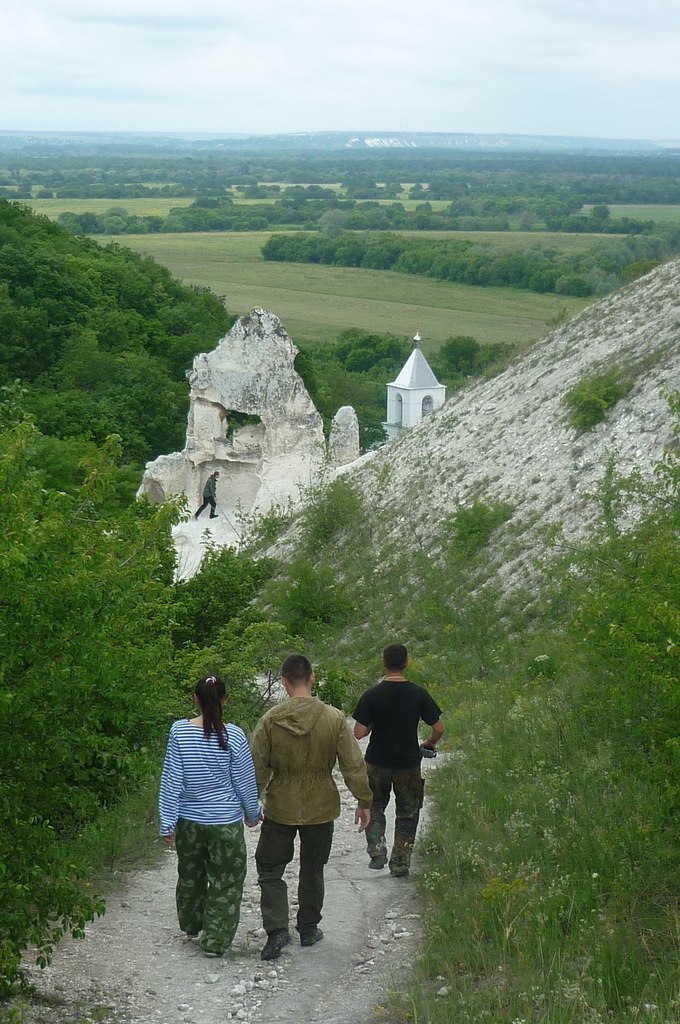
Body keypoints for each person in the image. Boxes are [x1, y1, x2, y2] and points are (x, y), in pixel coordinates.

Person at [250, 653, 373, 961]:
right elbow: (353, 764)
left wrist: (251, 800)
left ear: (283, 681)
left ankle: (277, 930)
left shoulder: (269, 720)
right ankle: (308, 928)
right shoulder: (332, 718)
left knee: (270, 868)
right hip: (321, 806)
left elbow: (257, 766)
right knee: (312, 867)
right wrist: (364, 800)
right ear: (312, 678)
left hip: (280, 805)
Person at [159, 674, 262, 957]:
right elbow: (244, 780)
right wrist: (252, 813)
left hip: (189, 821)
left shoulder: (179, 732)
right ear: (224, 700)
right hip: (224, 823)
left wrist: (167, 822)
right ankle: (215, 941)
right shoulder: (234, 735)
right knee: (226, 879)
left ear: (195, 699)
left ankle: (192, 925)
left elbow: (172, 779)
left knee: (190, 874)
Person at [352, 642, 444, 878]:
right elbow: (439, 728)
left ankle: (377, 850)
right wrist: (430, 743)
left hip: (377, 762)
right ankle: (400, 862)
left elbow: (358, 733)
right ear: (406, 663)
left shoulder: (372, 695)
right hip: (408, 762)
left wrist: (372, 724)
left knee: (375, 806)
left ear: (383, 663)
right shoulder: (418, 693)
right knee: (408, 812)